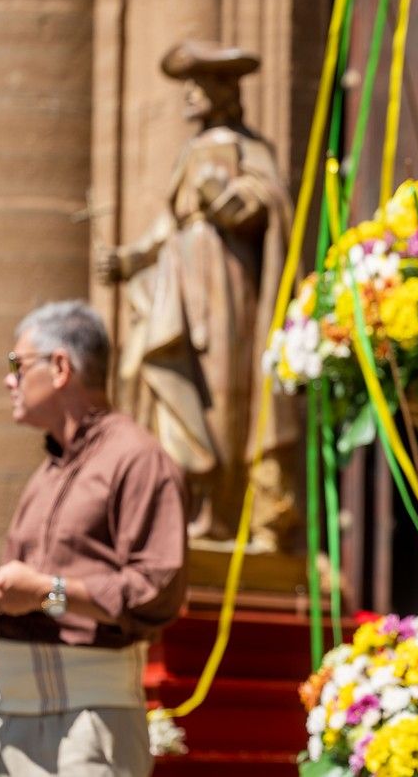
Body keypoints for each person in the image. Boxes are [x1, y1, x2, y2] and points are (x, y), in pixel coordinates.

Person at [0, 300, 187, 777]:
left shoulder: (139, 461)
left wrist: (49, 591)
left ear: (61, 367)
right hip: (17, 723)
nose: (9, 380)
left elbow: (157, 590)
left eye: (17, 365)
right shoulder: (44, 477)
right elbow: (29, 601)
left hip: (92, 722)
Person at [96, 40, 297, 551]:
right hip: (178, 283)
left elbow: (264, 203)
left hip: (225, 284)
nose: (188, 94)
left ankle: (223, 512)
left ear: (224, 91)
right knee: (171, 382)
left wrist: (224, 199)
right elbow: (169, 223)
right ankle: (182, 508)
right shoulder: (190, 151)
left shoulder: (246, 146)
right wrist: (130, 259)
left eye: (199, 84)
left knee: (222, 391)